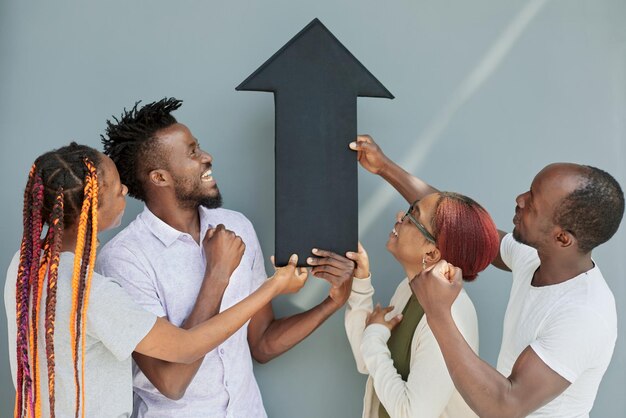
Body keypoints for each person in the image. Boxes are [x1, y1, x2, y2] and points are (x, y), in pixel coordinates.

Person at [4, 143, 307, 417]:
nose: (125, 191)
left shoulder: (26, 264)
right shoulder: (91, 291)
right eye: (117, 189)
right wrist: (273, 286)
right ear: (91, 209)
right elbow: (185, 349)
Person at [96, 98, 355, 417]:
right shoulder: (124, 259)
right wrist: (217, 273)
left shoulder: (237, 227)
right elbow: (171, 382)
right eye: (191, 152)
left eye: (198, 147)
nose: (206, 157)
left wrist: (332, 303)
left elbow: (261, 343)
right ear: (160, 178)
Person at [350, 135, 624, 417]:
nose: (519, 200)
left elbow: (504, 406)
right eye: (529, 191)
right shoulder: (535, 258)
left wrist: (439, 313)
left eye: (532, 204)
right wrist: (384, 167)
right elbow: (458, 228)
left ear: (562, 238)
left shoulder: (583, 316)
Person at [341, 190, 499, 417]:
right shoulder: (409, 289)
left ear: (432, 253)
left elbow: (411, 414)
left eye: (412, 216)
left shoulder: (450, 315)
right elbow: (368, 361)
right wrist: (360, 282)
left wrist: (375, 335)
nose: (399, 216)